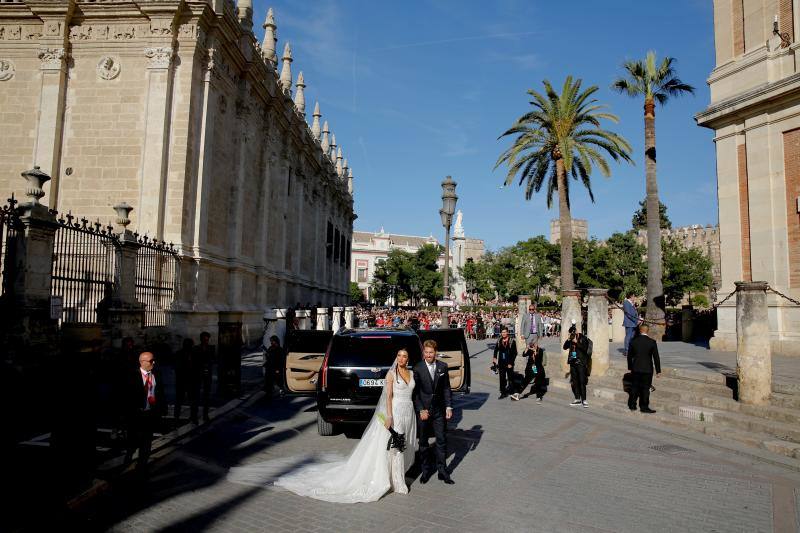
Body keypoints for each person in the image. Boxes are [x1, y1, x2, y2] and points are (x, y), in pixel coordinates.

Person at [230, 349, 419, 502]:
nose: (402, 358)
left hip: (408, 411)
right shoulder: (391, 374)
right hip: (395, 412)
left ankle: (397, 475)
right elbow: (388, 397)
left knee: (403, 443)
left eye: (405, 356)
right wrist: (389, 416)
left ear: (408, 359)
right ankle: (396, 482)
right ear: (396, 357)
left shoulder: (410, 373)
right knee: (396, 444)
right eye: (400, 355)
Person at [413, 339, 454, 484]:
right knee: (423, 442)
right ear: (423, 353)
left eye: (431, 352)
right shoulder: (417, 368)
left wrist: (449, 406)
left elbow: (446, 388)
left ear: (435, 353)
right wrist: (420, 410)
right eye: (427, 352)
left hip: (439, 410)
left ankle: (442, 471)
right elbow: (415, 393)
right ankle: (425, 471)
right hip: (424, 411)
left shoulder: (443, 366)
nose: (429, 355)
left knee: (441, 440)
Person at [123, 351, 166, 473]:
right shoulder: (131, 376)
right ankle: (129, 456)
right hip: (136, 414)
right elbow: (125, 397)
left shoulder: (156, 373)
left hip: (150, 413)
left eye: (153, 360)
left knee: (147, 442)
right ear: (142, 362)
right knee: (134, 439)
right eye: (151, 361)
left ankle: (142, 466)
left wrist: (162, 409)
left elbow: (160, 392)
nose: (154, 363)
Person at [627, 323, 661, 413]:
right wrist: (658, 371)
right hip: (647, 369)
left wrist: (630, 367)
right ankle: (644, 407)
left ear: (640, 330)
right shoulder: (652, 342)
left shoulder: (633, 341)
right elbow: (656, 357)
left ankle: (632, 405)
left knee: (634, 387)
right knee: (646, 388)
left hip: (636, 368)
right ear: (647, 331)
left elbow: (629, 356)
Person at [563, 325, 591, 408]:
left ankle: (584, 400)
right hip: (573, 362)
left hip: (581, 363)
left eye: (573, 332)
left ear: (577, 331)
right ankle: (577, 399)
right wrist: (568, 339)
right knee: (575, 381)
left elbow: (585, 349)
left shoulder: (583, 338)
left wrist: (576, 342)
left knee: (582, 381)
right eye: (571, 333)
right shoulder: (571, 339)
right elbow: (565, 347)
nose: (572, 334)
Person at [193, 331, 215, 423]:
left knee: (206, 395)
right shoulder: (196, 348)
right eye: (204, 339)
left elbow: (213, 359)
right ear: (201, 339)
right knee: (196, 395)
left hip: (207, 373)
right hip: (198, 373)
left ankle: (205, 414)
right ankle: (194, 415)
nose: (206, 341)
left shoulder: (211, 348)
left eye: (207, 339)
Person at [173, 338, 194, 426]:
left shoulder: (191, 354)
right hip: (184, 379)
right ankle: (177, 417)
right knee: (183, 399)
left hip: (184, 379)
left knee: (182, 400)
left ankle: (177, 417)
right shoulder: (186, 354)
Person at [492, 326, 517, 399]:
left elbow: (514, 353)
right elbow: (496, 349)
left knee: (510, 378)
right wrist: (494, 357)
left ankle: (512, 392)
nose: (503, 334)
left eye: (505, 332)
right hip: (501, 362)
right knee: (502, 378)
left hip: (509, 362)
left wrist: (511, 363)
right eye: (502, 332)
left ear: (507, 333)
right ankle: (503, 392)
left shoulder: (512, 341)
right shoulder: (499, 340)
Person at [263, 335, 284, 399]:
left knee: (278, 381)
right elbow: (268, 357)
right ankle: (268, 392)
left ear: (276, 341)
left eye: (272, 341)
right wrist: (267, 355)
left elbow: (280, 360)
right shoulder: (270, 348)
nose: (271, 342)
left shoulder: (280, 350)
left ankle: (281, 392)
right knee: (268, 380)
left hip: (276, 367)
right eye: (271, 341)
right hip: (270, 367)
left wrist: (278, 369)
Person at [623, 292, 639, 356]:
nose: (634, 298)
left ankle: (631, 350)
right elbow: (629, 314)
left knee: (632, 337)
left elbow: (634, 313)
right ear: (630, 296)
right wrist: (636, 321)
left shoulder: (631, 303)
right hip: (629, 322)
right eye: (634, 296)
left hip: (633, 322)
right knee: (628, 337)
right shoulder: (626, 302)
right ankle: (627, 351)